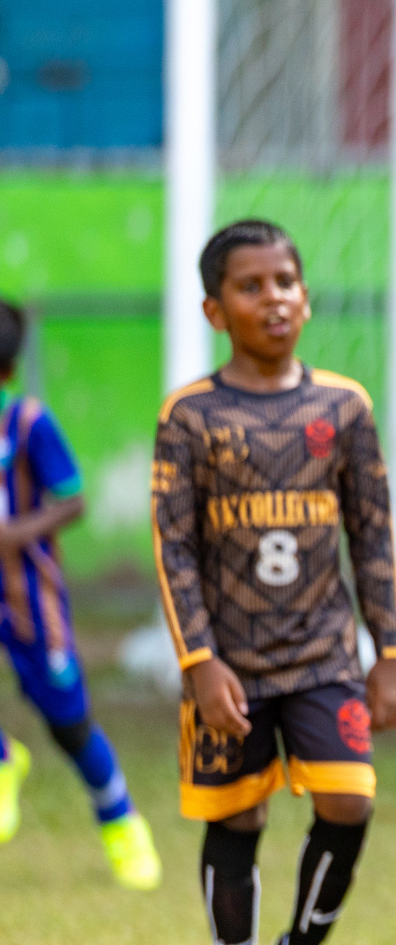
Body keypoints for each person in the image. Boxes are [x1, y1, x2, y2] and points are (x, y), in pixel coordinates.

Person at [152, 218, 396, 945]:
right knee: (237, 815)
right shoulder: (189, 416)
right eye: (250, 286)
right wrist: (199, 663)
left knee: (349, 801)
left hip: (324, 659)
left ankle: (301, 939)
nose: (274, 299)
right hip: (229, 665)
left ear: (307, 297)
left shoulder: (344, 407)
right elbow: (172, 550)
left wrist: (390, 652)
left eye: (286, 283)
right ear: (214, 310)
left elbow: (373, 535)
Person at [0, 300, 161, 889]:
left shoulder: (27, 425)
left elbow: (73, 500)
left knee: (69, 723)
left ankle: (122, 825)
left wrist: (15, 532)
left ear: (7, 373)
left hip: (27, 596)